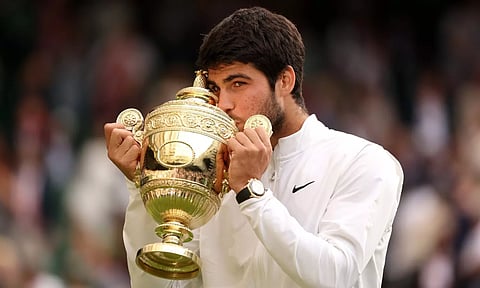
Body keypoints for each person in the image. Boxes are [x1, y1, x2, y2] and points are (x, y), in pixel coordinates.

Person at [104, 6, 404, 288]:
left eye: (238, 83)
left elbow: (336, 275)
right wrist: (141, 186)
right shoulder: (211, 174)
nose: (223, 104)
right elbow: (159, 284)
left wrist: (249, 191)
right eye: (215, 88)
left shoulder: (365, 162)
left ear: (285, 81)